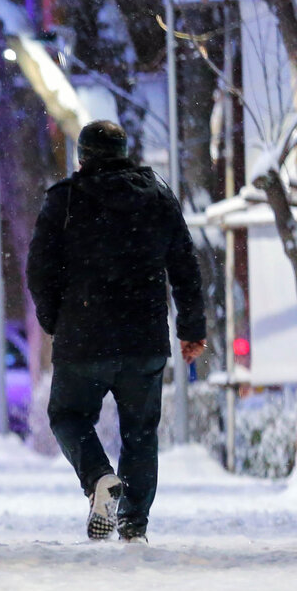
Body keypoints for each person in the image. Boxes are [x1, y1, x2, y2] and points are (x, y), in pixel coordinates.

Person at [27, 120, 206, 544]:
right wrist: (191, 328)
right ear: (124, 153)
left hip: (83, 336)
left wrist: (54, 321)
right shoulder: (157, 197)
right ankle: (133, 525)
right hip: (144, 338)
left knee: (68, 416)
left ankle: (98, 477)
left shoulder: (64, 200)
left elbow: (39, 270)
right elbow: (185, 265)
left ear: (82, 157)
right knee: (140, 433)